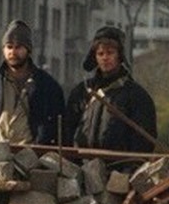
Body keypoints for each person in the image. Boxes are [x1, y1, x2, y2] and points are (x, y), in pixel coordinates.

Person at [64, 26, 157, 158]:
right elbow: (68, 130)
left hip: (118, 169)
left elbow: (143, 142)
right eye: (100, 54)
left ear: (119, 55)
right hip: (81, 165)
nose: (105, 58)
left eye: (110, 52)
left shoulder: (136, 95)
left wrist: (129, 169)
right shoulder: (81, 92)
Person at [0, 20, 63, 145]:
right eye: (9, 47)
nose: (13, 52)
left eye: (18, 47)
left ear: (28, 50)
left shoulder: (47, 87)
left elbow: (57, 131)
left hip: (32, 158)